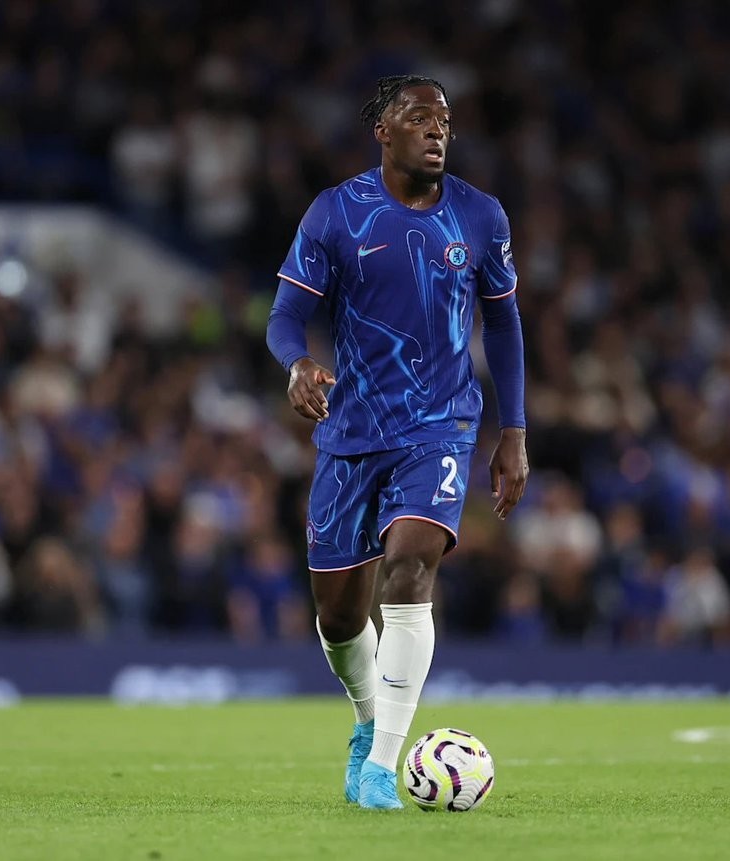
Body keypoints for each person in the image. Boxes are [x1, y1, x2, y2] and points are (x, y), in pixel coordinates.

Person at [265, 75, 528, 809]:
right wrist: (297, 364)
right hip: (352, 431)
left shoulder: (480, 216)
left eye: (443, 119)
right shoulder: (336, 211)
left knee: (410, 568)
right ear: (383, 130)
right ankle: (366, 721)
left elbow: (504, 323)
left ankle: (383, 766)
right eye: (418, 117)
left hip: (440, 426)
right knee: (338, 616)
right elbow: (284, 315)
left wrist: (513, 430)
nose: (436, 129)